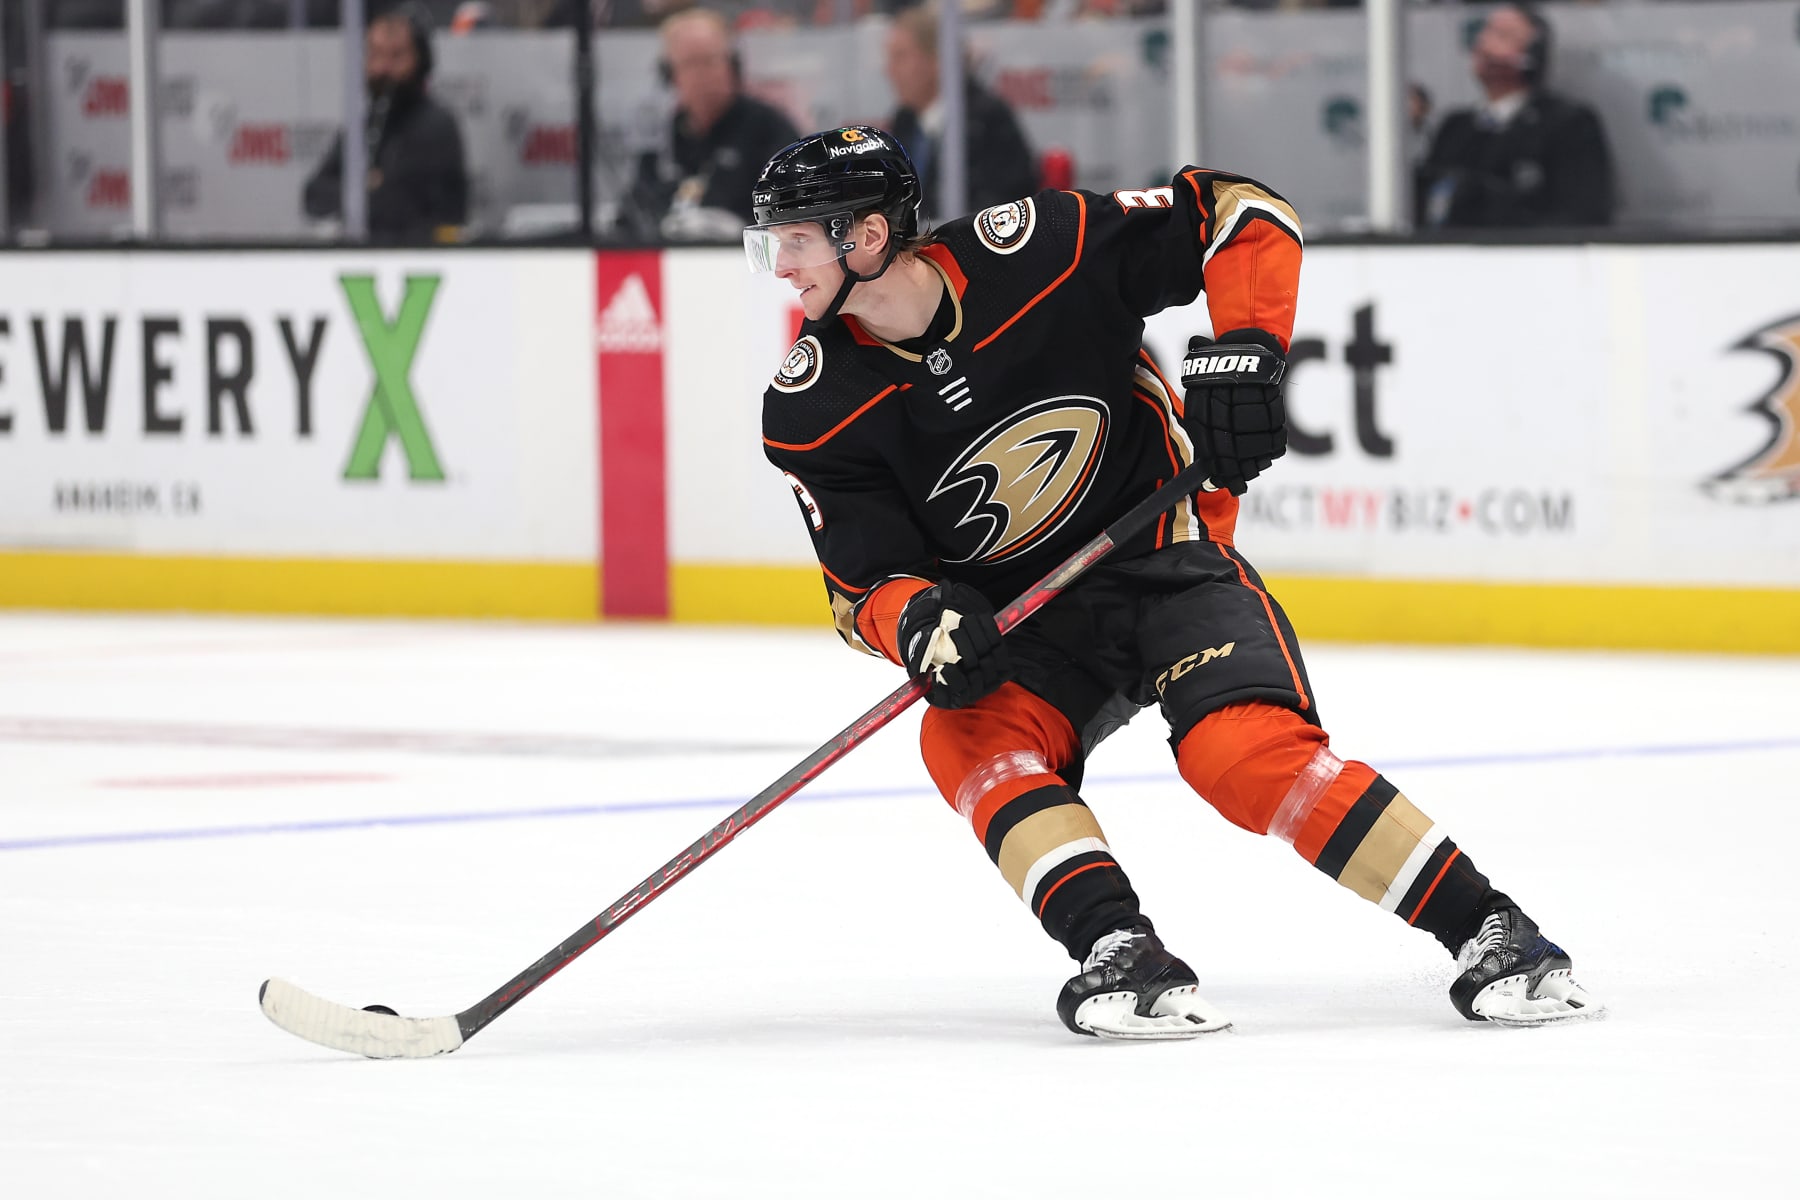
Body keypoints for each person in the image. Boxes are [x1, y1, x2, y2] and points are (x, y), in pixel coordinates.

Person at [746, 125, 1603, 1039]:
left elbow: (1239, 210)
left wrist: (1250, 348)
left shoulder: (1038, 250)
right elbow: (861, 587)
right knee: (963, 741)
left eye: (795, 239)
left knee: (1241, 756)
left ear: (867, 236)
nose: (780, 267)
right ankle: (1121, 950)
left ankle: (1493, 928)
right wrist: (917, 618)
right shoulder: (810, 408)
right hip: (1031, 628)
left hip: (1165, 560)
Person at [1416, 3, 1613, 229]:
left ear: (1533, 55)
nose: (1484, 44)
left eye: (1502, 36)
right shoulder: (1455, 127)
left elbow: (1583, 213)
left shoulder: (1569, 124)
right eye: (1484, 31)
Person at [627, 7, 799, 239]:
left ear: (733, 65)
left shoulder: (769, 130)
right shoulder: (662, 140)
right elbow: (635, 212)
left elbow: (797, 217)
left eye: (710, 61)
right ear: (670, 74)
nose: (702, 74)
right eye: (691, 63)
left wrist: (742, 232)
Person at [303, 4, 469, 243]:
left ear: (421, 61)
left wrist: (362, 189)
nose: (383, 68)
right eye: (376, 54)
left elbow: (402, 207)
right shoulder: (364, 124)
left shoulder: (437, 126)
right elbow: (315, 193)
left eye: (396, 56)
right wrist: (368, 187)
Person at [884, 5, 1037, 221]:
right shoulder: (904, 121)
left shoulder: (988, 120)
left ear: (937, 61)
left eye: (900, 57)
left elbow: (1002, 204)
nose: (889, 69)